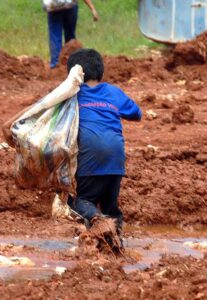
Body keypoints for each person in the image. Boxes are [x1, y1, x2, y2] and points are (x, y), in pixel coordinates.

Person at [66, 48, 142, 237]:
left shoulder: (71, 94)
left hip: (90, 159)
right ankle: (116, 245)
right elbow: (136, 114)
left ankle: (98, 222)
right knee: (111, 207)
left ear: (74, 75)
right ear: (100, 72)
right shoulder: (113, 92)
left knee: (80, 202)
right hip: (116, 161)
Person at [43, 0, 99, 68]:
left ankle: (56, 65)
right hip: (70, 6)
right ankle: (72, 64)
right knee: (70, 38)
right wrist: (92, 9)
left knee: (55, 37)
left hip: (54, 7)